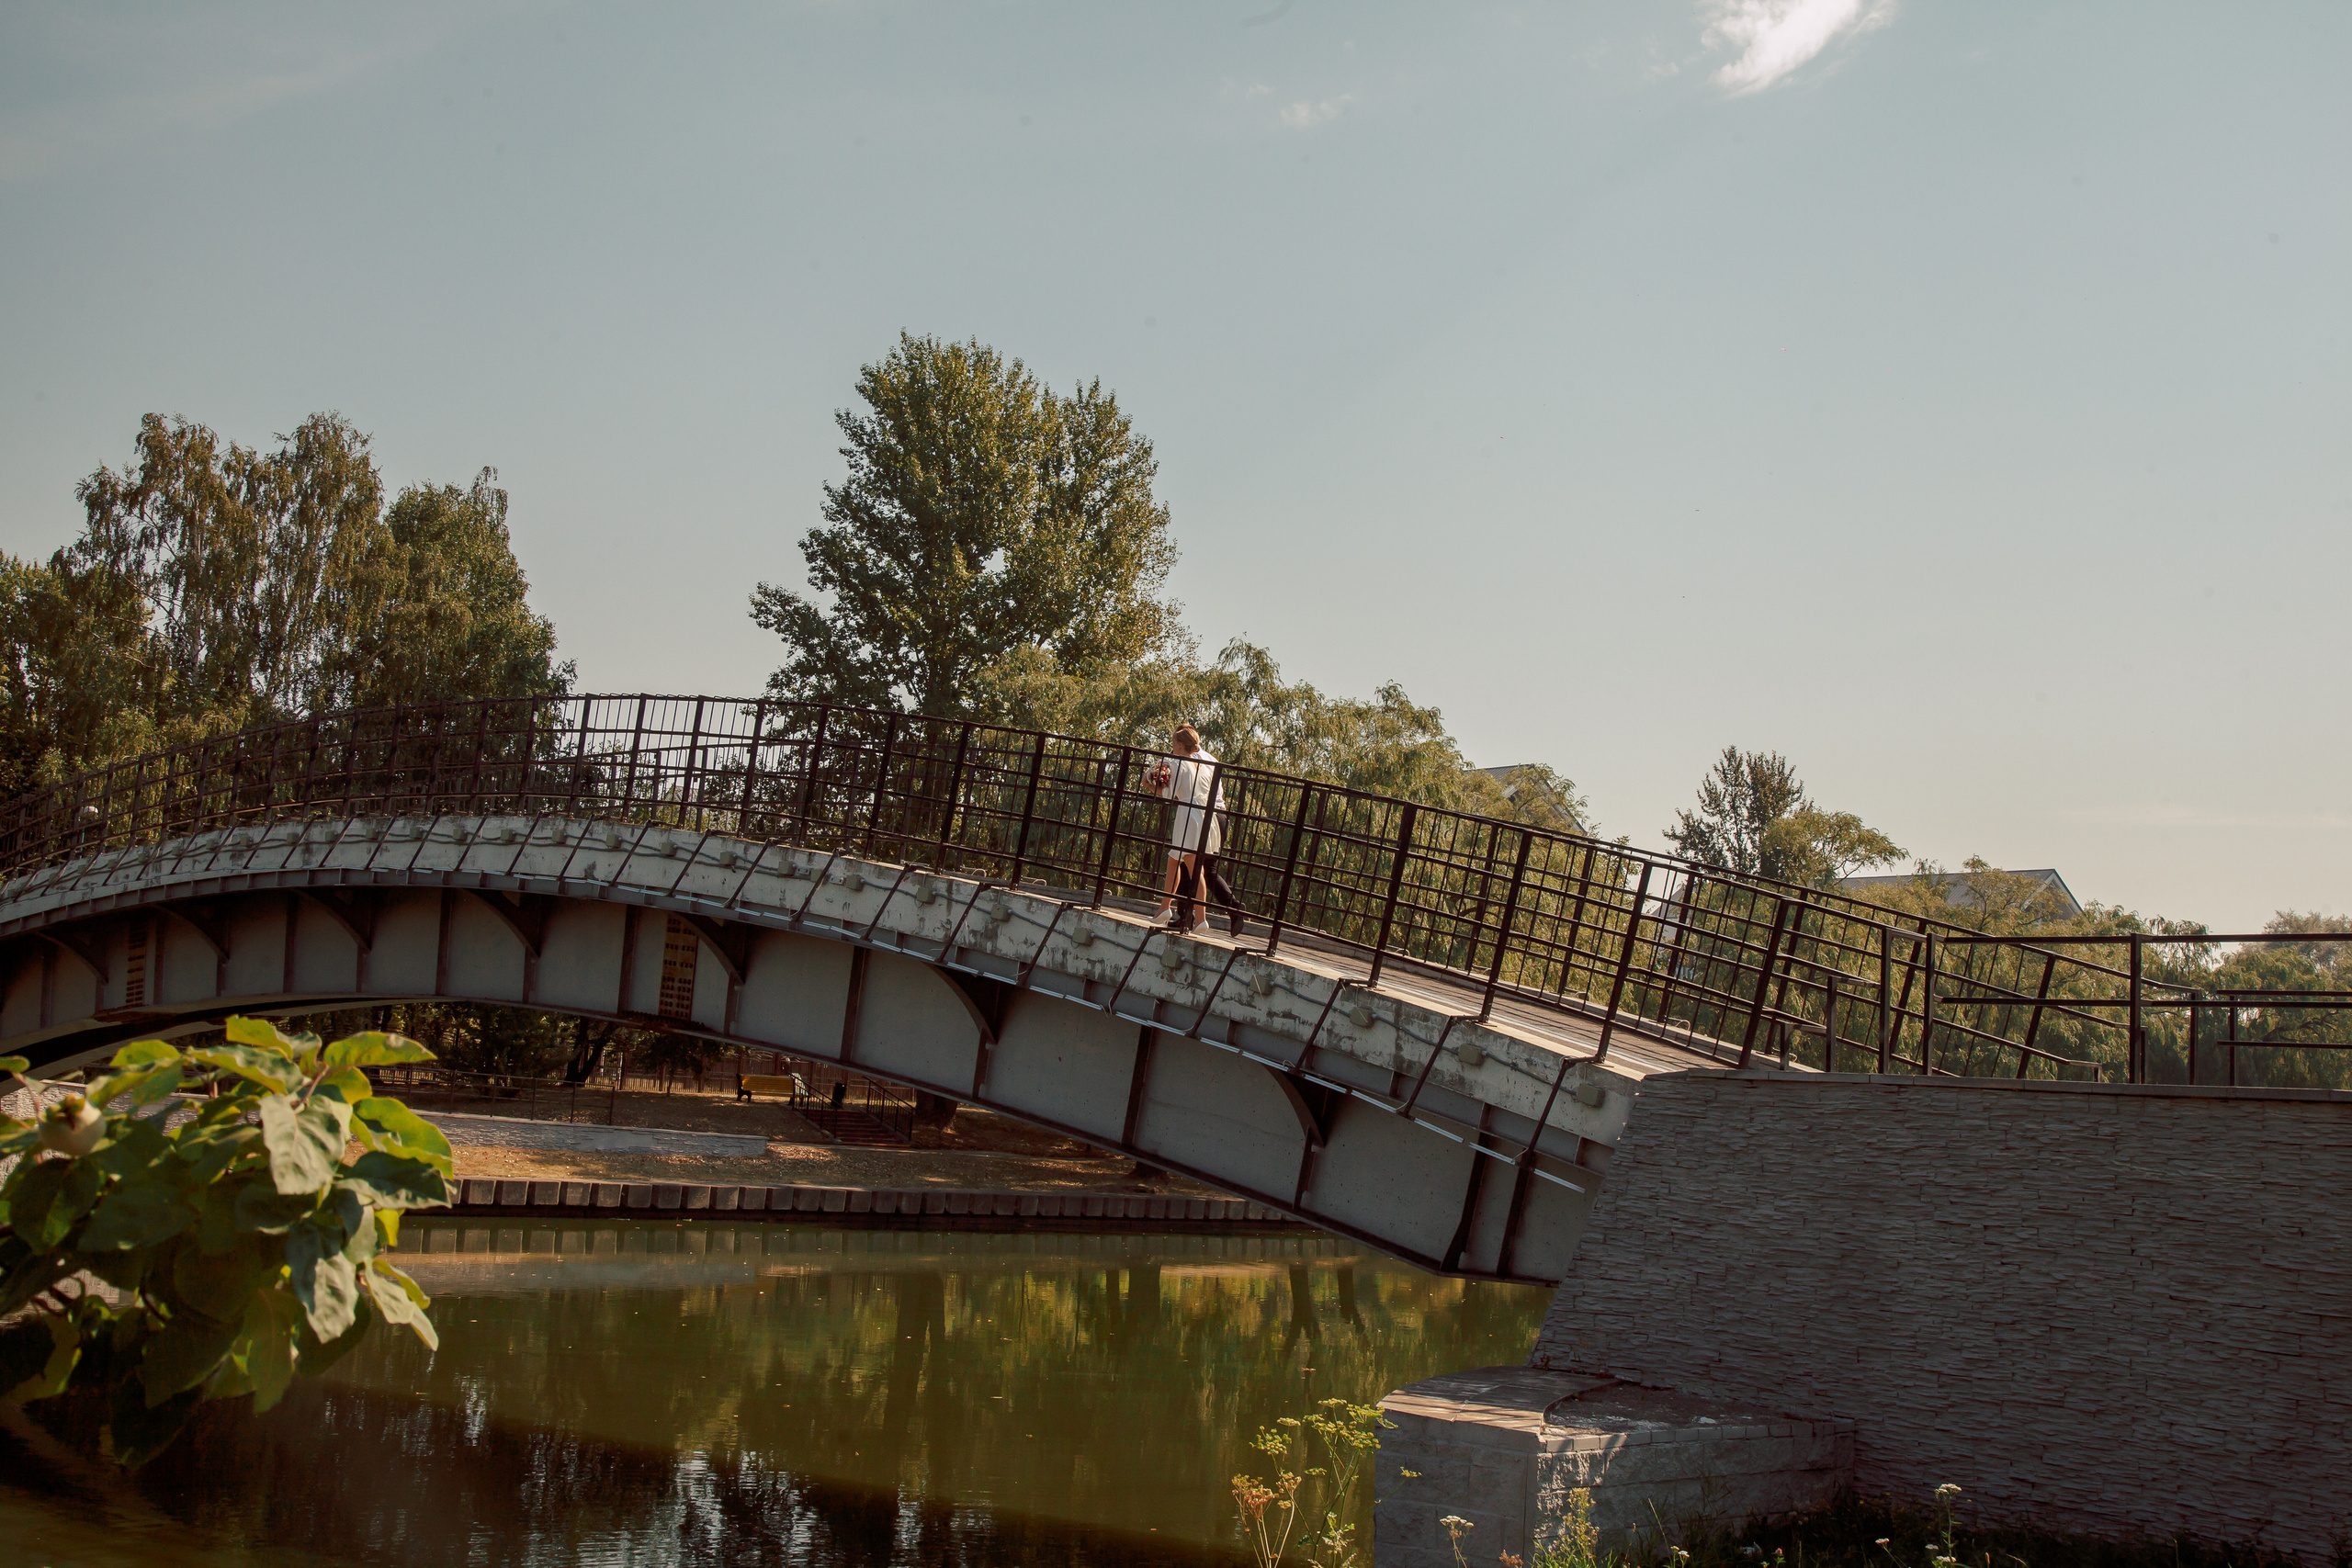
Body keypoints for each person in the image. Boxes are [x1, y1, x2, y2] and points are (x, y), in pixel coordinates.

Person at [1150, 724, 1244, 935]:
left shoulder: (1181, 762)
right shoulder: (1209, 760)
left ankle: (1200, 917)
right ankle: (1172, 911)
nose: (1172, 746)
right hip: (1210, 813)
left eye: (1174, 742)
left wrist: (1151, 782)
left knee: (1198, 869)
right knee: (1177, 861)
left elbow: (1170, 792)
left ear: (1182, 743)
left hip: (1194, 814)